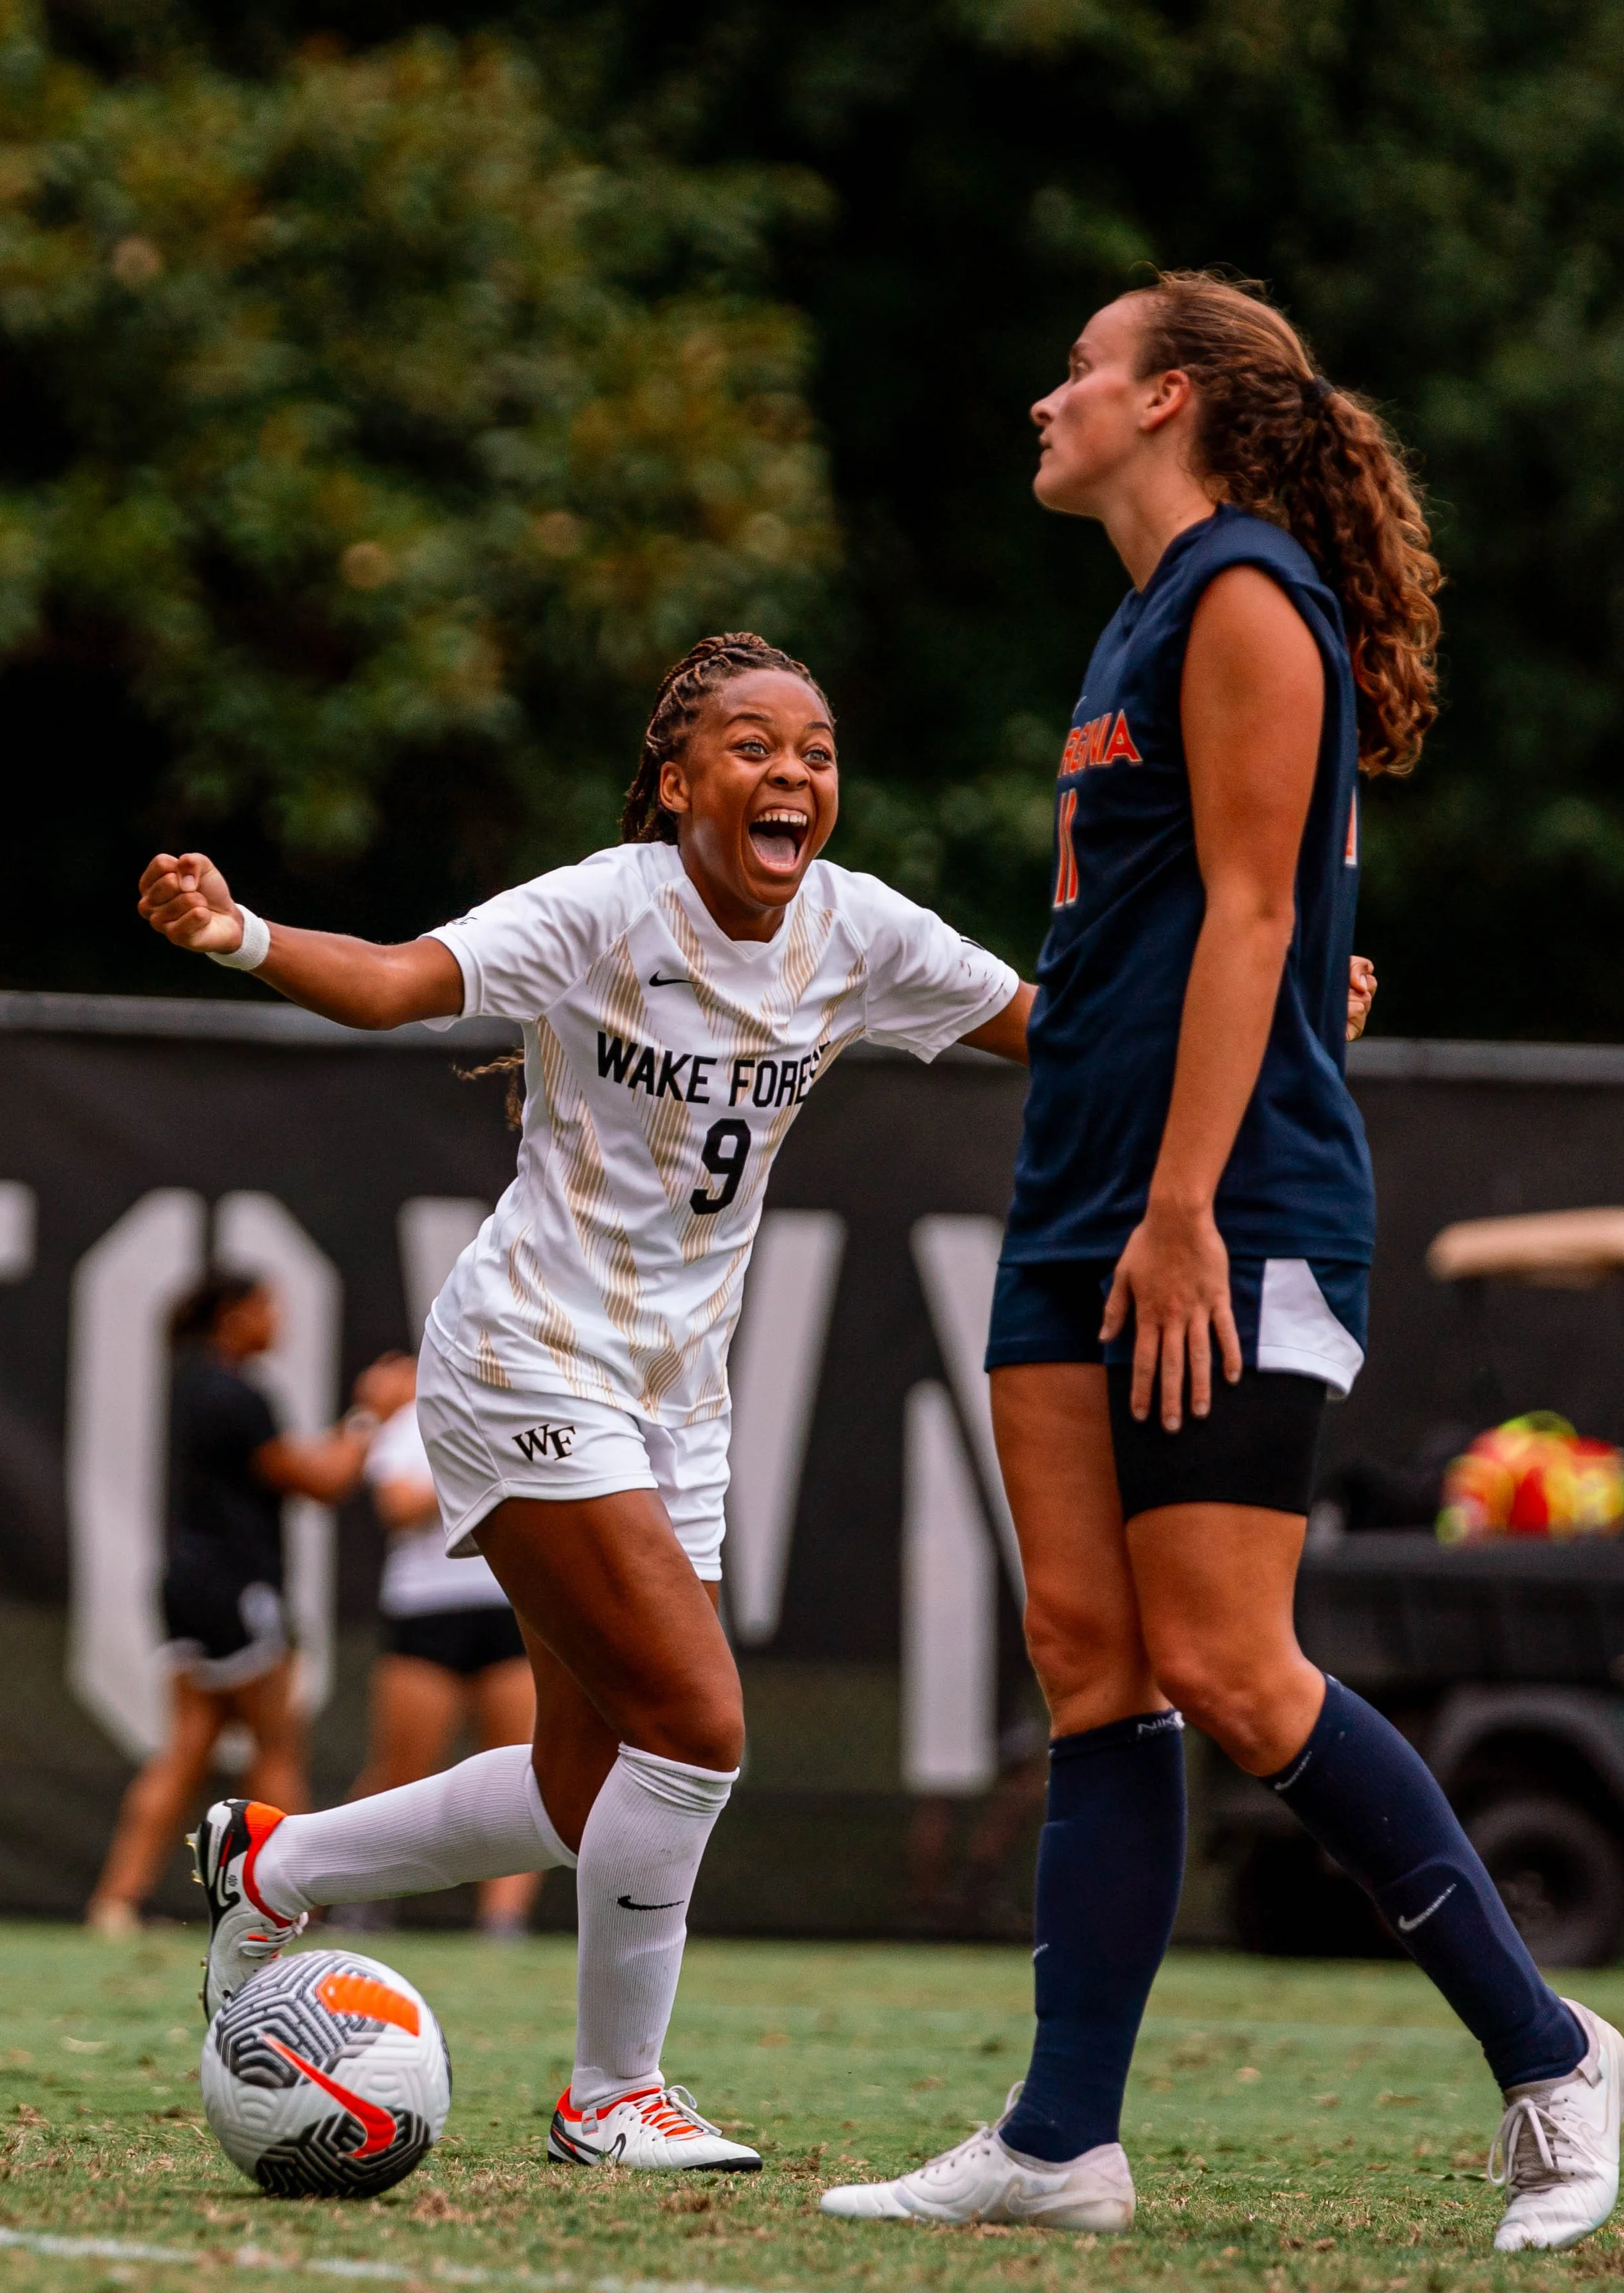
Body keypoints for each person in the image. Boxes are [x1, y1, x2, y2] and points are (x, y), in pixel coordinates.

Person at [820, 273, 1624, 2254]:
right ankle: (1059, 2140)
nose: (1048, 398)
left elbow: (1259, 917)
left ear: (1166, 397)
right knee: (1089, 1663)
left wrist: (1186, 1203)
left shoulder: (1247, 593)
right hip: (1074, 1194)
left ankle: (1552, 2057)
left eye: (1079, 369)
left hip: (1221, 1208)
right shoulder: (1135, 614)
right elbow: (1204, 927)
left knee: (1227, 1666)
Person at [135, 630, 1033, 2173]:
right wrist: (241, 935)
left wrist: (1268, 1011)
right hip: (527, 1355)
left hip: (680, 1400)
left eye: (815, 752)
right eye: (752, 746)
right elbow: (400, 983)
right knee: (694, 1727)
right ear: (676, 784)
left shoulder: (859, 930)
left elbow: (1057, 1027)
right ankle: (611, 2095)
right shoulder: (607, 907)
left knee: (584, 1786)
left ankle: (280, 1863)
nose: (792, 774)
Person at [86, 1272, 402, 1933]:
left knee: (188, 1746)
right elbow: (321, 1480)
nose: (277, 1320)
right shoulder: (235, 1392)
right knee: (276, 1749)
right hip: (237, 1590)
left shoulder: (195, 1386)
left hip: (187, 1587)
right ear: (233, 1315)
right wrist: (372, 1413)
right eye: (267, 1307)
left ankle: (116, 1900)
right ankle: (295, 1903)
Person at [338, 1353, 542, 1941]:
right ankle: (360, 1898)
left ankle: (503, 1921)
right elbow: (399, 1505)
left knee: (522, 1772)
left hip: (509, 1606)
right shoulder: (412, 1423)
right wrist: (489, 1475)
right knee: (402, 1769)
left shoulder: (528, 1414)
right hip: (427, 1611)